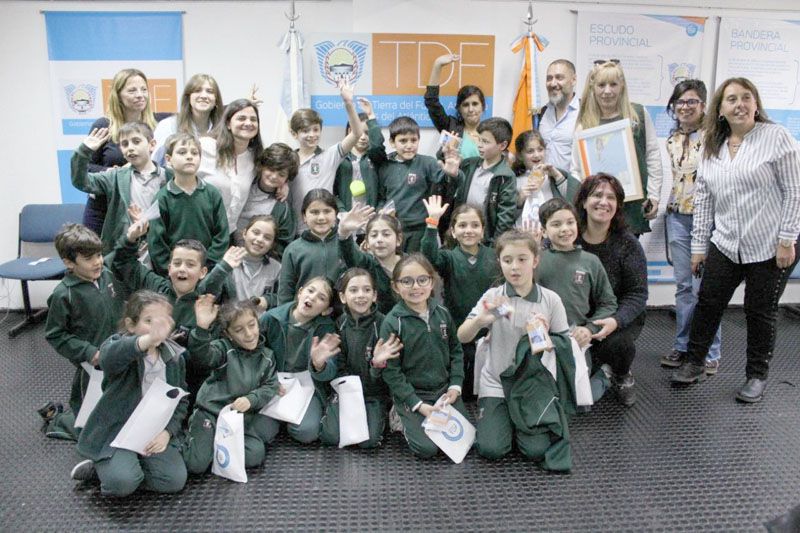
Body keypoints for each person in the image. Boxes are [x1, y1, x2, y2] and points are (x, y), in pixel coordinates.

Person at [671, 77, 800, 403]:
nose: (739, 104)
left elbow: (794, 192)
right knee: (708, 304)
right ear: (721, 109)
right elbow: (704, 201)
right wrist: (699, 247)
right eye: (731, 99)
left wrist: (787, 239)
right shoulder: (713, 145)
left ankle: (756, 375)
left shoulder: (776, 137)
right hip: (726, 243)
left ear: (756, 104)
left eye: (746, 97)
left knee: (760, 311)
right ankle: (695, 362)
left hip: (770, 245)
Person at [457, 230, 572, 466]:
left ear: (535, 260)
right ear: (499, 262)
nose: (515, 267)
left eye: (522, 259)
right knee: (491, 449)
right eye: (507, 260)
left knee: (536, 450)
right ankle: (502, 416)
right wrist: (481, 321)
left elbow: (564, 343)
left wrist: (544, 338)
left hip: (531, 386)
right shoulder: (493, 297)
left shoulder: (550, 299)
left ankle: (515, 420)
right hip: (496, 381)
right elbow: (462, 336)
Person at [70, 291, 188, 497]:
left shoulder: (174, 357)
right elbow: (108, 358)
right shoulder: (120, 346)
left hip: (152, 430)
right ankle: (105, 470)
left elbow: (180, 400)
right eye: (149, 321)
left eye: (162, 321)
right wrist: (148, 340)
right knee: (123, 483)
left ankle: (118, 469)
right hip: (118, 431)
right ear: (131, 325)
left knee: (174, 480)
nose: (157, 328)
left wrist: (167, 432)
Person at [659, 80, 722, 375]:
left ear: (703, 105)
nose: (685, 107)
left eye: (692, 102)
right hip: (677, 218)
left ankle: (710, 350)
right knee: (684, 287)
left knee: (706, 289)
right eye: (680, 102)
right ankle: (683, 345)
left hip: (707, 220)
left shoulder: (715, 138)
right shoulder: (671, 140)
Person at [380, 254, 468, 459]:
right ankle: (399, 414)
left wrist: (455, 386)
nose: (415, 287)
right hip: (414, 394)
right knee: (427, 450)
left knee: (463, 442)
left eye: (422, 280)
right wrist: (416, 403)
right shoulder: (393, 322)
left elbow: (456, 350)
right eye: (407, 281)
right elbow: (391, 372)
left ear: (431, 282)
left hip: (443, 392)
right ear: (395, 286)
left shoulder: (443, 313)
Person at [40, 224, 123, 441]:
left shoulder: (106, 275)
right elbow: (55, 335)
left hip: (118, 354)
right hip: (91, 366)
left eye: (98, 254)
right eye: (88, 258)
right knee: (88, 427)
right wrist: (88, 352)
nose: (97, 261)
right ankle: (57, 418)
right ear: (69, 263)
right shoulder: (63, 295)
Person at [536, 198, 619, 403]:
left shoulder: (590, 261)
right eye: (556, 224)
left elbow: (608, 303)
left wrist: (589, 329)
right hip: (543, 337)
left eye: (570, 222)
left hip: (577, 339)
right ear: (544, 230)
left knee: (579, 400)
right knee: (544, 396)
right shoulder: (536, 260)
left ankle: (604, 376)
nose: (565, 229)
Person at [575, 174, 648, 405]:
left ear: (618, 206)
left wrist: (616, 321)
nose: (603, 202)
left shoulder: (627, 244)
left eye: (611, 197)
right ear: (584, 202)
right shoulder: (568, 237)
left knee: (620, 346)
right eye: (597, 195)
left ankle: (621, 373)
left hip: (614, 319)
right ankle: (598, 365)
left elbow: (637, 293)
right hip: (576, 318)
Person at [184, 297, 280, 474]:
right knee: (196, 465)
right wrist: (202, 329)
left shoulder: (267, 356)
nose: (249, 334)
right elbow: (202, 356)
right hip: (211, 413)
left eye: (252, 325)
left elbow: (270, 385)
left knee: (255, 455)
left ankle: (211, 445)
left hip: (238, 418)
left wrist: (252, 399)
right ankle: (194, 438)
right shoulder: (222, 349)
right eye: (239, 330)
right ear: (228, 334)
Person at [571, 61, 663, 236]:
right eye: (601, 85)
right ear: (593, 87)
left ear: (622, 86)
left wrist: (654, 196)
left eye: (613, 84)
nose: (607, 91)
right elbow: (576, 168)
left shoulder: (638, 114)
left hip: (632, 206)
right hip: (598, 208)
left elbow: (652, 156)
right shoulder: (584, 123)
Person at [421, 197, 500, 398]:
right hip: (459, 332)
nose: (469, 230)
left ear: (483, 230)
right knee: (464, 386)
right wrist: (432, 222)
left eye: (475, 225)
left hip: (492, 334)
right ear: (454, 232)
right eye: (462, 225)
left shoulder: (494, 256)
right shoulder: (449, 257)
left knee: (489, 385)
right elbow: (428, 257)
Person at [361, 98, 460, 252]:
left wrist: (453, 174)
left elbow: (449, 185)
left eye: (413, 140)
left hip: (420, 231)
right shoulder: (385, 165)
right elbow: (382, 197)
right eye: (403, 141)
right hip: (393, 229)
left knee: (418, 269)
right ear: (393, 143)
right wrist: (381, 210)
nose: (409, 145)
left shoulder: (427, 163)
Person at [320, 268, 403, 448]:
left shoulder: (383, 324)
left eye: (366, 290)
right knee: (331, 437)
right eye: (353, 290)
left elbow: (390, 372)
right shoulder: (338, 324)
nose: (360, 295)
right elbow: (337, 367)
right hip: (346, 391)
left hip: (374, 394)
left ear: (374, 296)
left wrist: (376, 365)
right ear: (342, 297)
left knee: (369, 442)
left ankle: (382, 414)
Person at [83, 69, 164, 235]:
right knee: (96, 258)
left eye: (143, 89)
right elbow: (85, 168)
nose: (140, 95)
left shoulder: (159, 124)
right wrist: (111, 173)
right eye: (132, 90)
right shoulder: (104, 126)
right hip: (105, 208)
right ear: (118, 95)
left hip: (145, 209)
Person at [260, 277, 340, 444]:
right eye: (310, 291)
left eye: (321, 298)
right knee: (262, 432)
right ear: (300, 292)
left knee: (306, 432)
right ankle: (279, 418)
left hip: (306, 386)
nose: (312, 297)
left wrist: (319, 364)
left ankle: (289, 417)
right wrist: (268, 380)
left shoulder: (326, 327)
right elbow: (254, 356)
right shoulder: (271, 318)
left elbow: (331, 370)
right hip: (273, 382)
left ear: (326, 310)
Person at [71, 122, 168, 254]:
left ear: (152, 145)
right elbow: (81, 181)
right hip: (124, 251)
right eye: (125, 144)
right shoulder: (115, 177)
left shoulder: (168, 177)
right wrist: (84, 152)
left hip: (158, 250)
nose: (130, 148)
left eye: (136, 141)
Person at [148, 133, 229, 275]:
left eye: (195, 153)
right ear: (168, 159)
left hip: (206, 272)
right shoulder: (162, 198)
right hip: (174, 275)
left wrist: (206, 268)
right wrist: (173, 271)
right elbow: (157, 243)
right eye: (182, 152)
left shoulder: (212, 194)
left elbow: (221, 236)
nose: (190, 156)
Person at [289, 82, 364, 230]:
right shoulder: (288, 160)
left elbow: (356, 133)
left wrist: (348, 103)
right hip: (297, 229)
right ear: (294, 134)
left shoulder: (330, 155)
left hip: (327, 228)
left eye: (316, 130)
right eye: (305, 131)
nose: (312, 135)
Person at [197, 99, 263, 232]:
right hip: (198, 229)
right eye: (241, 118)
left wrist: (282, 186)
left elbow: (273, 175)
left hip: (226, 234)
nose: (248, 123)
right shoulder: (205, 146)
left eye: (253, 119)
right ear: (228, 123)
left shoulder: (255, 157)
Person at [448, 117, 517, 244]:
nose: (479, 145)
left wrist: (494, 246)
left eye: (485, 141)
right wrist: (448, 153)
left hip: (485, 240)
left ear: (502, 145)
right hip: (462, 233)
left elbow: (505, 217)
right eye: (479, 139)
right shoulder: (470, 164)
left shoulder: (506, 176)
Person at [277, 189, 344, 305]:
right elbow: (285, 292)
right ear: (304, 216)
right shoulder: (293, 250)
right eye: (314, 212)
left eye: (327, 211)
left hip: (341, 317)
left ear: (336, 214)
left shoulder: (346, 244)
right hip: (305, 315)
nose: (321, 217)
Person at [236, 143, 299, 257]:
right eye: (271, 169)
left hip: (257, 262)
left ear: (287, 179)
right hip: (227, 252)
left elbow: (283, 247)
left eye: (281, 174)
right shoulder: (245, 183)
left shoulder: (282, 209)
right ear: (262, 166)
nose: (274, 176)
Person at [337, 206, 403, 315]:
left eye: (386, 234)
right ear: (367, 242)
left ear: (398, 239)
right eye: (374, 235)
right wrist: (344, 232)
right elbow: (350, 255)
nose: (379, 240)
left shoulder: (409, 263)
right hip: (378, 326)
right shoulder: (367, 264)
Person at [512, 130, 580, 228]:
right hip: (523, 233)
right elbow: (507, 214)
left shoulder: (553, 175)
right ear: (520, 155)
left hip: (551, 233)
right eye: (530, 151)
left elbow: (574, 198)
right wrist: (520, 199)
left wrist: (558, 177)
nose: (536, 155)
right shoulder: (514, 179)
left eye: (540, 149)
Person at [153, 73, 223, 164]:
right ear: (188, 97)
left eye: (209, 91)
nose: (204, 96)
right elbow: (155, 163)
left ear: (216, 100)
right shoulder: (168, 126)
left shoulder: (224, 129)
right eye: (197, 91)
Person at [425, 53, 486, 158]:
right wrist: (437, 65)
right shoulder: (451, 128)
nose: (471, 109)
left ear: (483, 106)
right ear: (459, 109)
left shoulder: (491, 132)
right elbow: (431, 102)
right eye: (465, 105)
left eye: (475, 104)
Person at [229, 215, 282, 313]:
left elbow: (283, 297)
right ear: (244, 233)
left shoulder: (277, 268)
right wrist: (224, 266)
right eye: (256, 233)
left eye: (267, 237)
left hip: (260, 324)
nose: (260, 239)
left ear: (272, 244)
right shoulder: (229, 260)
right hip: (231, 322)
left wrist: (268, 300)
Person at [538, 60, 580, 170]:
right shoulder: (541, 113)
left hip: (573, 185)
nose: (552, 83)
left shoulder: (585, 112)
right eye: (549, 78)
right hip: (544, 184)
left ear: (573, 80)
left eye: (559, 78)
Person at [333, 112, 379, 212]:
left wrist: (378, 211)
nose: (363, 137)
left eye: (367, 133)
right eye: (359, 132)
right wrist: (341, 211)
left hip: (371, 216)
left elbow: (384, 192)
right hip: (346, 216)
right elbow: (331, 191)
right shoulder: (339, 158)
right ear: (350, 131)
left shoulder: (377, 158)